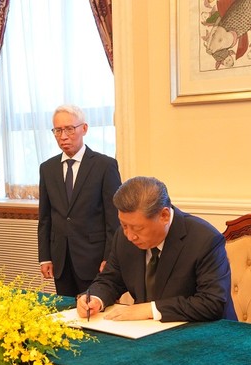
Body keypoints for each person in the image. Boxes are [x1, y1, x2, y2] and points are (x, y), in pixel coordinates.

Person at [76, 176, 237, 323]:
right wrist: (95, 298)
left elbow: (211, 303)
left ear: (164, 216)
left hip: (207, 334)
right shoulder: (123, 236)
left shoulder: (205, 239)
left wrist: (150, 309)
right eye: (124, 225)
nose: (130, 236)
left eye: (138, 228)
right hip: (145, 332)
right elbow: (111, 279)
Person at [38, 104, 122, 297]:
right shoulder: (47, 168)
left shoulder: (104, 165)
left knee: (94, 308)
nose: (63, 136)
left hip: (94, 259)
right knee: (65, 309)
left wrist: (110, 258)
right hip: (61, 260)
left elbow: (113, 219)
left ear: (84, 129)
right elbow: (45, 217)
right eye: (58, 130)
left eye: (69, 129)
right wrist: (45, 257)